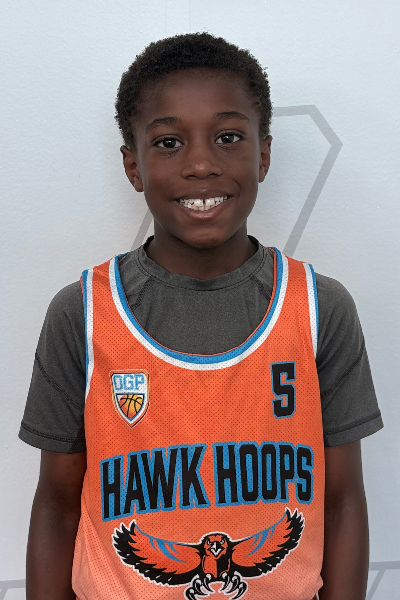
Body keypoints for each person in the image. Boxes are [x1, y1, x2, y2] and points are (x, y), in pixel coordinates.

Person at [20, 33, 383, 600]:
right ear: (133, 165)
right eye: (168, 142)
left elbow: (342, 500)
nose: (200, 164)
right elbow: (56, 503)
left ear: (263, 153)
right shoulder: (83, 314)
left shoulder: (318, 308)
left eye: (228, 137)